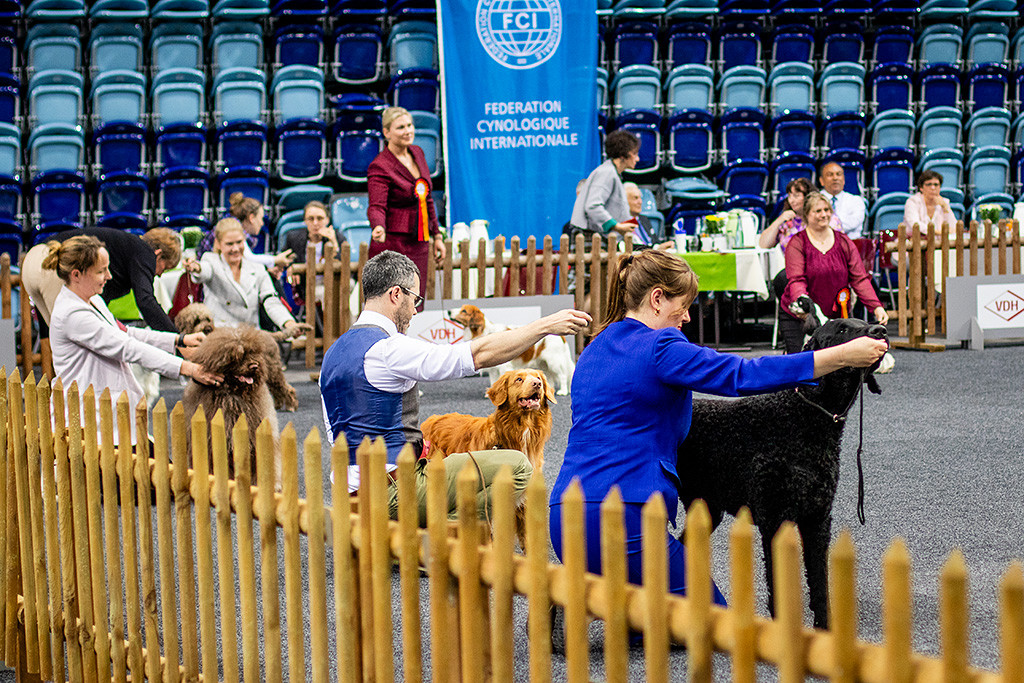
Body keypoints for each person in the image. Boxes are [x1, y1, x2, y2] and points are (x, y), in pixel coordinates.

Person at [549, 249, 888, 604]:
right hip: (626, 516)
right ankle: (581, 598)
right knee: (712, 618)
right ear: (657, 298)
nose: (687, 317)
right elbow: (742, 374)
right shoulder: (662, 346)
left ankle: (578, 594)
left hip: (564, 514)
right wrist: (840, 357)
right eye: (683, 306)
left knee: (643, 613)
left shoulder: (594, 347)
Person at [319, 250, 591, 522]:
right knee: (519, 467)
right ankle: (452, 533)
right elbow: (478, 355)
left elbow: (336, 433)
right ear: (396, 295)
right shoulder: (389, 348)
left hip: (347, 492)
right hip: (393, 491)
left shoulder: (332, 354)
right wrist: (545, 325)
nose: (416, 309)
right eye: (415, 299)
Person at [45, 236, 221, 438]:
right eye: (101, 271)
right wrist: (188, 368)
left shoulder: (93, 300)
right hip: (90, 424)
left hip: (109, 417)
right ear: (76, 275)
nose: (109, 276)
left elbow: (125, 332)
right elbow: (127, 347)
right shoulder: (73, 315)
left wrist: (178, 340)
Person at [779, 192, 889, 354]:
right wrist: (803, 305)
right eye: (817, 211)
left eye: (827, 210)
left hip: (836, 315)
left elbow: (859, 279)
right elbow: (796, 280)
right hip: (801, 317)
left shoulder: (844, 241)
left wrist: (876, 306)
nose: (824, 215)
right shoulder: (797, 242)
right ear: (807, 215)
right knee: (801, 365)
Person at [22, 226, 182, 332]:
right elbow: (146, 301)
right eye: (165, 267)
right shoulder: (144, 252)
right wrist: (177, 340)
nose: (160, 274)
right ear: (158, 254)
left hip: (32, 259)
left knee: (59, 338)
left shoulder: (124, 250)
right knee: (72, 339)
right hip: (50, 264)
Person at [367, 106, 446, 301]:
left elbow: (426, 198)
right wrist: (378, 225)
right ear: (386, 133)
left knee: (415, 301)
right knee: (392, 301)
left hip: (420, 241)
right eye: (401, 127)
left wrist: (437, 236)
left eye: (410, 125)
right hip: (394, 242)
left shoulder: (418, 153)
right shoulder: (380, 165)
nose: (408, 131)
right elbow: (377, 205)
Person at [183, 217, 309, 337]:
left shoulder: (257, 268)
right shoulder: (210, 260)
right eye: (229, 244)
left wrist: (288, 323)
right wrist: (195, 267)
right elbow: (204, 270)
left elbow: (271, 301)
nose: (235, 248)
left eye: (239, 242)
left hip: (251, 336)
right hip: (219, 337)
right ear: (218, 244)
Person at [197, 193, 295, 276]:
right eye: (260, 218)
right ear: (251, 218)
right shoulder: (232, 227)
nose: (262, 223)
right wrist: (275, 259)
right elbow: (248, 258)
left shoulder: (233, 222)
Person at [569, 129, 640, 242]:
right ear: (623, 154)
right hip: (590, 238)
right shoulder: (607, 172)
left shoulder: (611, 172)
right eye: (634, 154)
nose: (637, 159)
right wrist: (616, 226)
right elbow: (592, 206)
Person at [285, 200, 342, 299]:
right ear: (305, 221)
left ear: (327, 220)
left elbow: (342, 265)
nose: (315, 223)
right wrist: (292, 268)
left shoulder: (337, 237)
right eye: (311, 219)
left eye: (319, 218)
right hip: (306, 286)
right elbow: (286, 260)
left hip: (333, 283)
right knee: (324, 293)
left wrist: (333, 242)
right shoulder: (294, 238)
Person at [818, 162, 867, 239]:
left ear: (843, 179)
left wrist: (824, 222)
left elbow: (852, 224)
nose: (835, 178)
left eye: (838, 174)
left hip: (851, 245)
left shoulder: (856, 201)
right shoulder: (814, 200)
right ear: (821, 181)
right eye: (830, 175)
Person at [903, 170, 957, 235]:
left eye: (936, 185)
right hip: (914, 241)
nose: (933, 188)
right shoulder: (912, 202)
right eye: (929, 184)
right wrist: (938, 232)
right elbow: (915, 224)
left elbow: (954, 227)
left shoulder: (944, 202)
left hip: (938, 243)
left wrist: (945, 207)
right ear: (921, 188)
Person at [623, 181, 672, 250]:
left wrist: (663, 246)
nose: (640, 202)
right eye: (635, 198)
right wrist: (656, 248)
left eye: (640, 198)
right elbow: (631, 247)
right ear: (625, 200)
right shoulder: (622, 224)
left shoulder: (643, 219)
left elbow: (655, 242)